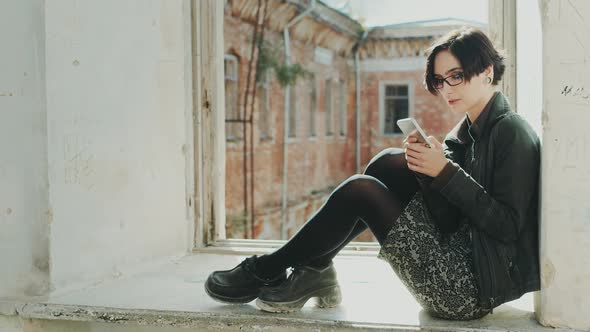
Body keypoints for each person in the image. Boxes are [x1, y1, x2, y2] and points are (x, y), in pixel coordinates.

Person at [204, 26, 540, 320]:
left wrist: (446, 173)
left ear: (486, 71)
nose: (446, 89)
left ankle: (269, 269)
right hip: (459, 248)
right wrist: (431, 168)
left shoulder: (511, 132)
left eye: (456, 76)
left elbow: (508, 226)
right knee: (387, 163)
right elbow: (452, 213)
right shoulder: (467, 129)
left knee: (361, 191)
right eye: (439, 80)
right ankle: (315, 270)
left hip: (467, 288)